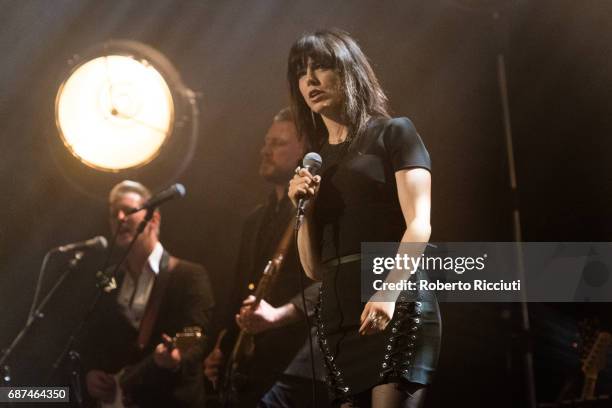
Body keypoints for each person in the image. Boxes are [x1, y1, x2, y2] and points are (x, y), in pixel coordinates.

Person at [287, 29, 442, 408]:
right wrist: (302, 212)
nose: (310, 79)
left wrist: (389, 292)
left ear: (349, 72)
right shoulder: (317, 161)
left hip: (396, 301)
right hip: (339, 314)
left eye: (321, 67)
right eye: (301, 71)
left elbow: (420, 223)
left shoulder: (393, 133)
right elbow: (313, 269)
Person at [204, 108, 329, 407]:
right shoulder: (254, 220)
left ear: (304, 151)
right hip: (247, 367)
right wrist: (223, 344)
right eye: (266, 142)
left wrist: (279, 314)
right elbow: (240, 289)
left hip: (293, 361)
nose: (265, 150)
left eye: (277, 143)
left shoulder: (318, 213)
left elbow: (333, 282)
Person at [78, 180, 215, 408]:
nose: (120, 218)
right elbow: (91, 335)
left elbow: (197, 336)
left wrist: (176, 359)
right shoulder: (108, 279)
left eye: (129, 210)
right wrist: (90, 372)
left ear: (154, 219)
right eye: (114, 214)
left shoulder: (189, 275)